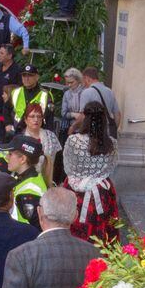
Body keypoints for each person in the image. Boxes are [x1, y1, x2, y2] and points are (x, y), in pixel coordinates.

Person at [64, 101, 119, 243]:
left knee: (73, 227)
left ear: (85, 117)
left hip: (76, 193)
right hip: (102, 192)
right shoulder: (111, 143)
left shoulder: (73, 140)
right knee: (103, 232)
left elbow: (69, 167)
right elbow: (109, 168)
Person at [2, 134, 48, 228]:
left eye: (10, 154)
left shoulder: (29, 192)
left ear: (22, 159)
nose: (6, 157)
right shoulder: (22, 178)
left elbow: (37, 229)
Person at [22, 102, 61, 186]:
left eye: (39, 116)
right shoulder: (20, 139)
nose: (36, 119)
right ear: (25, 120)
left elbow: (59, 162)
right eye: (32, 116)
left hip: (48, 182)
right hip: (26, 183)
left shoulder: (51, 136)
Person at [79, 67, 120, 137]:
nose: (83, 83)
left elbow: (83, 116)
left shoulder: (86, 92)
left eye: (83, 80)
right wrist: (113, 129)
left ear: (87, 78)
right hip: (107, 134)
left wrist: (75, 128)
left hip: (92, 133)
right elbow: (118, 115)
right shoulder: (109, 91)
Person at [9, 63, 52, 127]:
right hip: (18, 130)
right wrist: (8, 124)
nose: (26, 78)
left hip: (37, 130)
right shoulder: (15, 92)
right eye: (24, 75)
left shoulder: (45, 95)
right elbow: (6, 110)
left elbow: (49, 118)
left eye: (30, 75)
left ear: (37, 77)